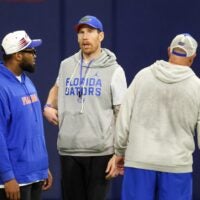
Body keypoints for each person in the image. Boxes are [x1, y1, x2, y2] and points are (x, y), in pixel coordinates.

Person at [43, 15, 127, 200]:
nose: (85, 37)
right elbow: (57, 88)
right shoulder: (66, 65)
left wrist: (119, 152)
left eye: (90, 32)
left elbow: (122, 113)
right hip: (69, 149)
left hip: (100, 152)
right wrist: (49, 105)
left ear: (101, 36)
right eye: (81, 32)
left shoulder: (114, 70)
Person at [114, 33, 199, 200]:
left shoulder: (142, 76)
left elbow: (124, 117)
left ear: (169, 51)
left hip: (139, 161)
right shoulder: (198, 87)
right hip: (177, 166)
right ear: (193, 57)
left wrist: (120, 150)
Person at [0, 30, 52, 200]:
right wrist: (7, 176)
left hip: (35, 173)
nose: (35, 55)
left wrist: (42, 167)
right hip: (15, 180)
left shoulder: (26, 81)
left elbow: (33, 128)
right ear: (18, 56)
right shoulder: (2, 86)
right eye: (32, 51)